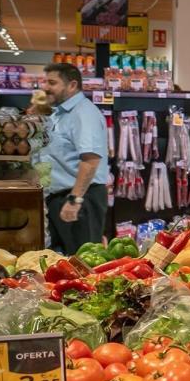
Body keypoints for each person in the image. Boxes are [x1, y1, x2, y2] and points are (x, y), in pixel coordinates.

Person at [35, 62, 113, 254]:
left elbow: (91, 160)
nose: (46, 88)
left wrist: (74, 200)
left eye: (52, 83)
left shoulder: (83, 113)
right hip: (60, 198)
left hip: (80, 199)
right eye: (46, 82)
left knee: (83, 262)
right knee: (63, 261)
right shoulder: (60, 114)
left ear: (72, 85)